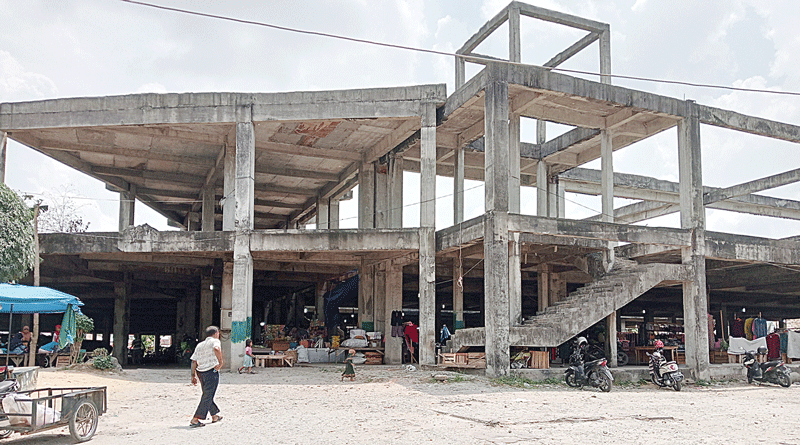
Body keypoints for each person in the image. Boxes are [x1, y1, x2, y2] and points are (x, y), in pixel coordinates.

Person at [189, 326, 224, 428]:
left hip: (201, 372)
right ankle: (195, 419)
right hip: (211, 371)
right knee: (208, 395)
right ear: (216, 333)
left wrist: (193, 375)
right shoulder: (215, 341)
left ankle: (214, 415)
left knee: (207, 393)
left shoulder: (200, 345)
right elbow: (216, 349)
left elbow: (194, 361)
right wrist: (221, 362)